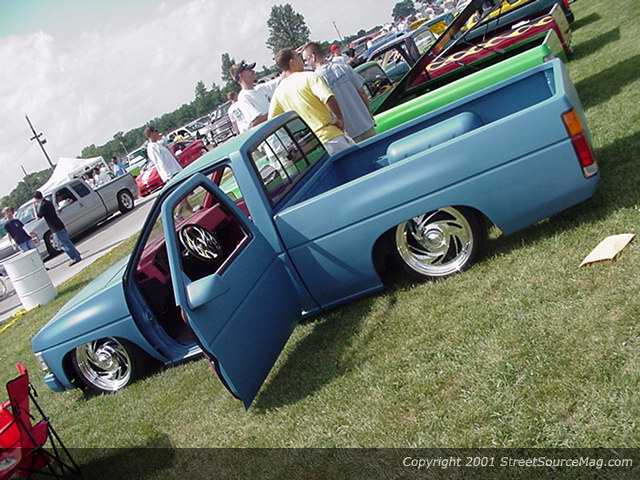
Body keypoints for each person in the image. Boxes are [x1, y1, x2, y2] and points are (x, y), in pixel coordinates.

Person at [268, 48, 354, 156]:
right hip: (331, 137)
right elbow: (328, 98)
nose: (301, 60)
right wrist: (339, 118)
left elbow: (273, 122)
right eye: (298, 57)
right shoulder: (309, 76)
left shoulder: (278, 93)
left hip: (312, 148)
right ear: (292, 62)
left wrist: (295, 134)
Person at [303, 42, 376, 143]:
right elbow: (362, 92)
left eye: (306, 60)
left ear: (313, 57)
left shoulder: (316, 79)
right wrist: (369, 114)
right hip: (365, 124)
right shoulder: (343, 67)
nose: (306, 63)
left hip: (347, 134)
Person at [228, 61, 281, 133]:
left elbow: (281, 79)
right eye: (249, 70)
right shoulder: (244, 97)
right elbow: (254, 123)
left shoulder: (261, 88)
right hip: (272, 137)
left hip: (281, 133)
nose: (253, 71)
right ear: (241, 75)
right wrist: (277, 110)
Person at [34, 191, 82, 265]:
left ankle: (74, 257)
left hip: (55, 227)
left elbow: (39, 216)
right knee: (67, 241)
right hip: (59, 224)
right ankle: (77, 255)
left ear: (36, 198)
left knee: (63, 243)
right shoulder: (48, 202)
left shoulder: (43, 205)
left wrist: (36, 206)